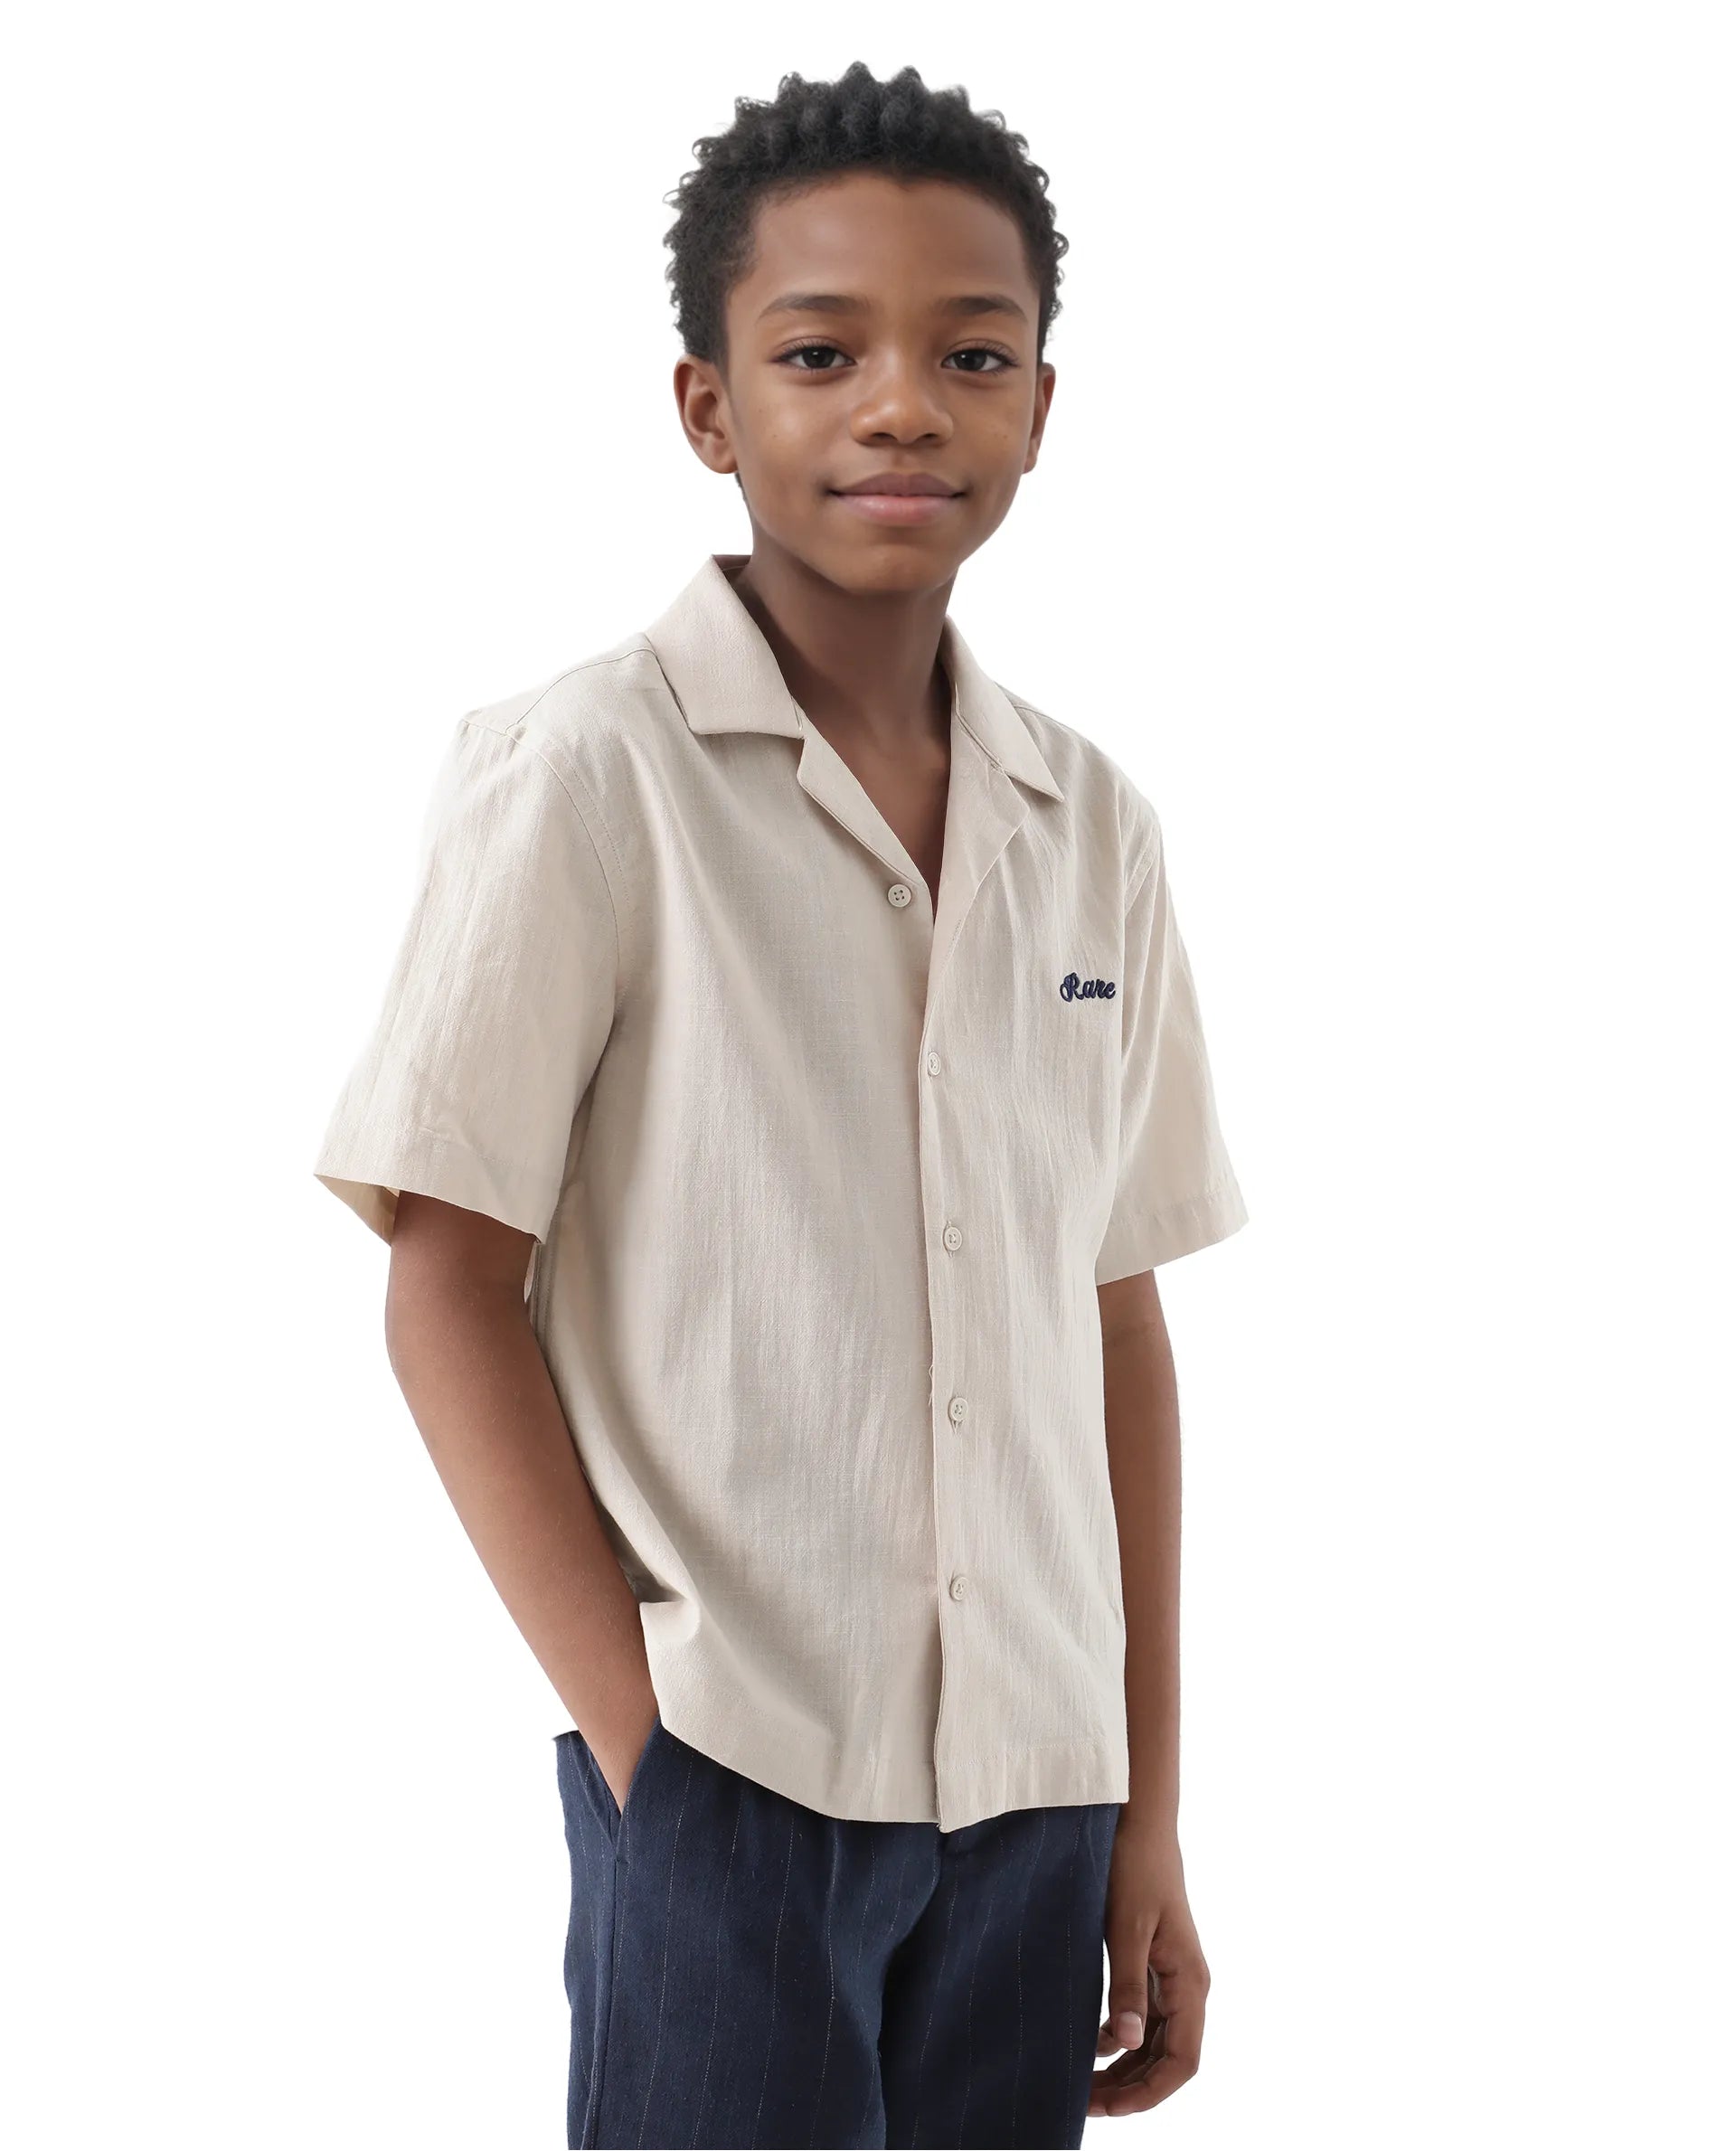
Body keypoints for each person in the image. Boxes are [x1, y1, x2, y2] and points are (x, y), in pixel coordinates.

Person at [312, 59, 1249, 2151]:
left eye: (970, 354)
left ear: (1040, 406)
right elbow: (446, 1276)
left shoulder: (1094, 826)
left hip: (1039, 1784)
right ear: (710, 408)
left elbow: (1115, 1314)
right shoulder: (587, 772)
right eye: (822, 352)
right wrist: (647, 1742)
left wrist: (1144, 1800)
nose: (902, 406)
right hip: (732, 1767)